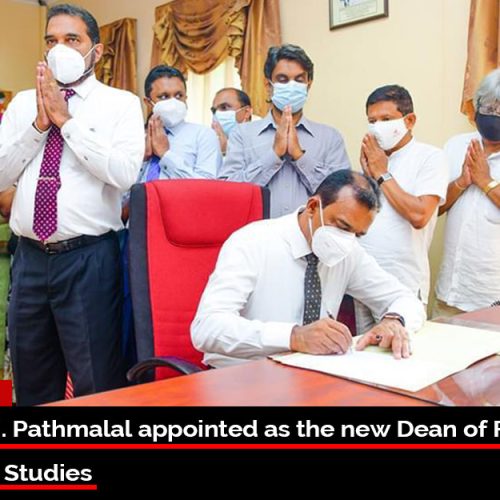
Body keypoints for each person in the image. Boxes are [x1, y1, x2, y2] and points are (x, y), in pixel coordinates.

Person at [0, 4, 145, 405]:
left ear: (96, 51)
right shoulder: (22, 104)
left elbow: (124, 174)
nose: (59, 48)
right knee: (32, 381)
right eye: (51, 40)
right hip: (29, 258)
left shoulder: (121, 104)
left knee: (95, 380)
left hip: (89, 259)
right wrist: (38, 126)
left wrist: (67, 122)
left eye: (72, 39)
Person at [191, 170, 426, 369]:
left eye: (358, 234)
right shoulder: (252, 242)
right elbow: (206, 328)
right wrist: (293, 337)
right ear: (313, 207)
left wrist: (394, 320)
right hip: (243, 376)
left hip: (310, 377)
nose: (347, 239)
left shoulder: (349, 252)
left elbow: (405, 298)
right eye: (342, 226)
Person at [219, 44, 351, 218]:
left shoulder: (330, 137)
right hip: (258, 233)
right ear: (268, 85)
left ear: (309, 84)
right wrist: (274, 155)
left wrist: (300, 157)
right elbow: (228, 193)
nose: (291, 86)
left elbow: (344, 197)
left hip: (311, 234)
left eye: (299, 79)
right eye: (282, 79)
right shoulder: (242, 135)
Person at [357, 85, 448, 333]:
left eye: (386, 119)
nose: (378, 127)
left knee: (399, 350)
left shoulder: (430, 157)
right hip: (363, 279)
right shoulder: (372, 158)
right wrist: (367, 178)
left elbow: (420, 215)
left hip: (403, 284)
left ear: (409, 121)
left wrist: (381, 174)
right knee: (362, 352)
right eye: (372, 121)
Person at [434, 69, 500, 317]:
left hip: (492, 297)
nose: (493, 116)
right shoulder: (456, 145)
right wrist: (461, 182)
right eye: (488, 108)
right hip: (450, 292)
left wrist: (486, 181)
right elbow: (435, 209)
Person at [135, 65, 222, 185]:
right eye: (164, 97)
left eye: (179, 96)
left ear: (186, 98)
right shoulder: (135, 137)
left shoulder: (204, 135)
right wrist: (142, 158)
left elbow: (207, 186)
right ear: (148, 102)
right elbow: (119, 191)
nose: (173, 102)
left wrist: (165, 155)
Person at [211, 87, 253, 156]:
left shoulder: (262, 141)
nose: (217, 114)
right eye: (214, 110)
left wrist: (226, 152)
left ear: (246, 112)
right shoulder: (209, 144)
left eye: (224, 107)